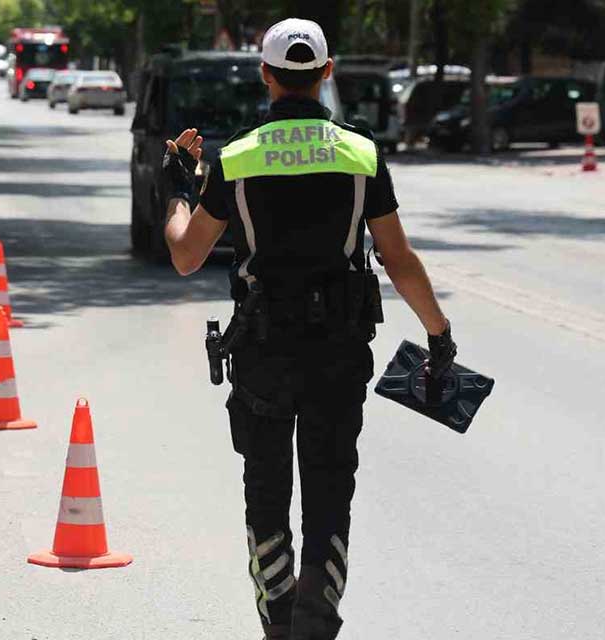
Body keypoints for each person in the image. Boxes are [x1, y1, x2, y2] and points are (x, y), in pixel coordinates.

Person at [160, 18, 457, 640]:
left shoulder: (236, 157)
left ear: (265, 76)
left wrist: (178, 191)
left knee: (266, 494)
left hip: (264, 352)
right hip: (339, 353)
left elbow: (186, 256)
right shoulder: (359, 152)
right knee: (329, 495)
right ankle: (318, 624)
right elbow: (397, 258)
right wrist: (438, 331)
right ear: (326, 73)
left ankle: (278, 621)